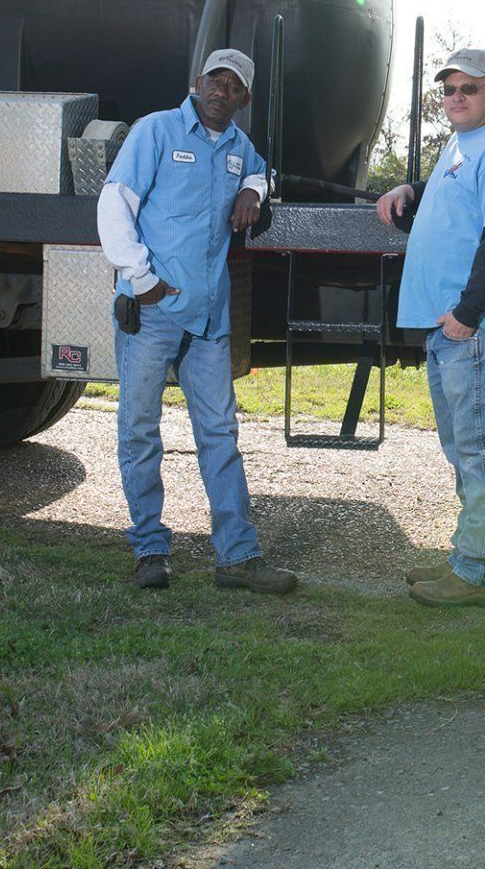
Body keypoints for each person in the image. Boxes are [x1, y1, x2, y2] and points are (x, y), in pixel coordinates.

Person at [97, 49, 297, 594]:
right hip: (153, 311)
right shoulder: (155, 132)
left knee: (220, 435)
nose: (222, 91)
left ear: (244, 100)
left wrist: (254, 191)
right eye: (216, 79)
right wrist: (143, 280)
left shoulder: (238, 147)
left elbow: (261, 171)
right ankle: (150, 550)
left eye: (235, 86)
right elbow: (114, 202)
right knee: (140, 431)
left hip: (209, 319)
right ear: (197, 82)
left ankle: (237, 559)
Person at [375, 48, 485, 607]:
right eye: (449, 89)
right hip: (449, 328)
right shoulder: (461, 147)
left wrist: (467, 313)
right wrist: (408, 190)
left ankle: (480, 575)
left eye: (469, 87)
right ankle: (469, 558)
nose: (457, 97)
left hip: (473, 327)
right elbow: (449, 198)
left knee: (481, 448)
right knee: (462, 446)